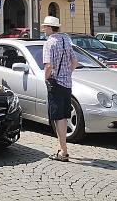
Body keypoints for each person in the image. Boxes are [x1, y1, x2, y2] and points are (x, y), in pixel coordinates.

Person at [42, 15, 78, 162]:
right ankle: (63, 149)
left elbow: (48, 65)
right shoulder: (66, 40)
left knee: (59, 118)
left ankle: (63, 151)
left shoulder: (50, 43)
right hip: (67, 83)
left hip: (56, 83)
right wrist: (67, 73)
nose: (44, 29)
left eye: (45, 27)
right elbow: (75, 61)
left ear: (50, 28)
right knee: (64, 115)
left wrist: (46, 79)